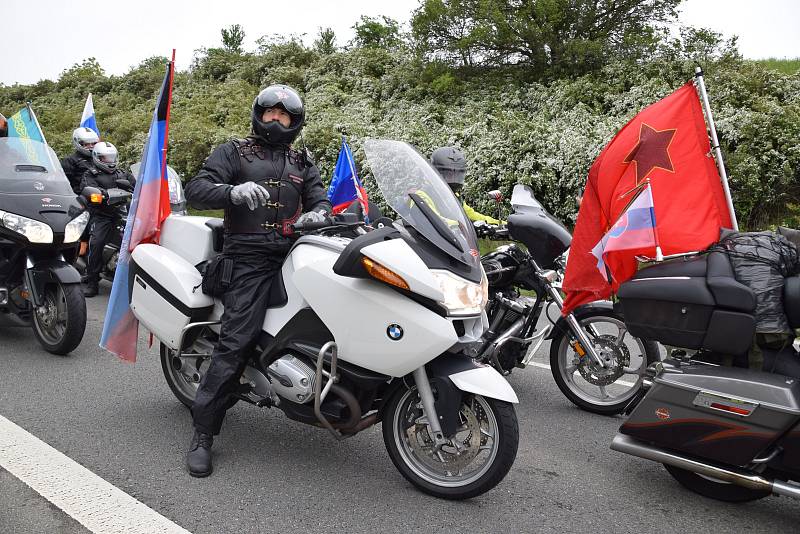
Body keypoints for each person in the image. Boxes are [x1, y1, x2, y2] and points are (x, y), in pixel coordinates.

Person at [183, 84, 331, 478]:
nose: (276, 119)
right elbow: (196, 189)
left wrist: (319, 213)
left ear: (295, 121)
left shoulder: (302, 159)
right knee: (236, 341)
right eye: (270, 113)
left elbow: (321, 199)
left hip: (295, 254)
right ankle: (202, 433)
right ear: (258, 115)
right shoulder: (233, 151)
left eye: (284, 115)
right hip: (247, 259)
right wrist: (230, 191)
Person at [79, 141, 135, 297]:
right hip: (101, 214)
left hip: (123, 213)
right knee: (96, 243)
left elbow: (137, 185)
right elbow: (88, 189)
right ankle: (92, 281)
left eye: (111, 158)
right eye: (105, 158)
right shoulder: (90, 174)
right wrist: (103, 194)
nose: (109, 162)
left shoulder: (122, 173)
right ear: (97, 158)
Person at [430, 146, 502, 225]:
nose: (453, 178)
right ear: (435, 173)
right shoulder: (423, 195)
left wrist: (503, 224)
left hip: (454, 237)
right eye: (448, 173)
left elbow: (472, 215)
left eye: (457, 173)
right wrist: (468, 224)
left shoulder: (454, 197)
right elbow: (435, 221)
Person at [62, 127, 100, 193]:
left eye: (93, 143)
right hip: (81, 196)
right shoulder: (70, 161)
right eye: (86, 144)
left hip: (101, 194)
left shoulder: (100, 158)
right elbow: (65, 184)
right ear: (79, 143)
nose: (91, 146)